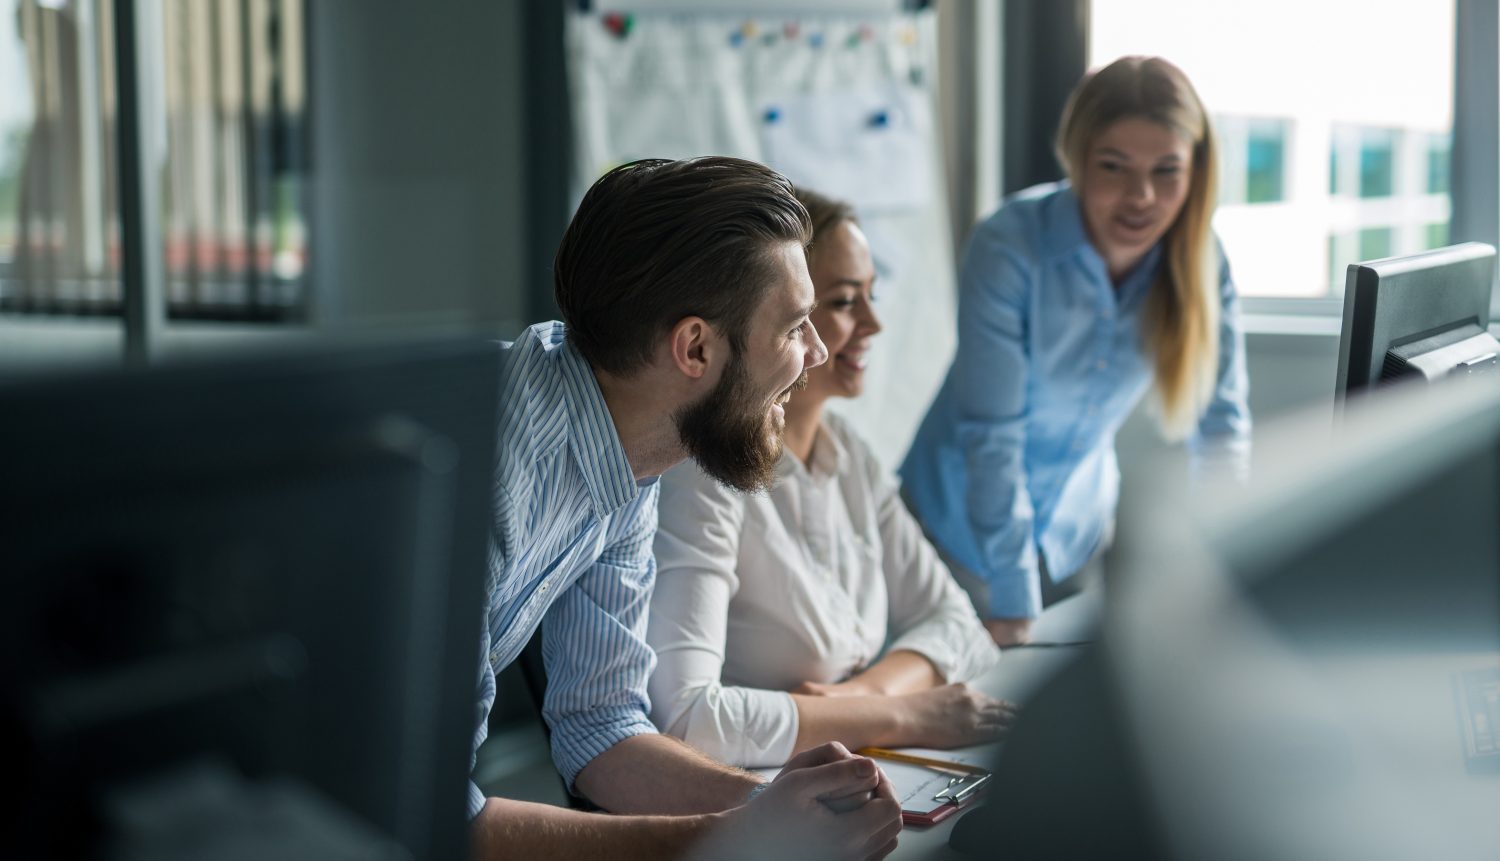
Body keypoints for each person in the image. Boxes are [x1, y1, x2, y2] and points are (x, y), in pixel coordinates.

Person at [469, 157, 903, 860]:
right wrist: (738, 836)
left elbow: (601, 727)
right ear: (695, 346)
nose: (819, 350)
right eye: (795, 326)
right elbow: (440, 817)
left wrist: (773, 806)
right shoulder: (490, 464)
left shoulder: (632, 451)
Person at [647, 189, 1012, 768]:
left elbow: (957, 623)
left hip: (850, 758)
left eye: (871, 295)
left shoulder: (848, 453)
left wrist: (857, 698)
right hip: (751, 791)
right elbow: (689, 723)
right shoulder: (703, 473)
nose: (872, 323)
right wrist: (903, 713)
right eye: (844, 302)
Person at [900, 56, 1251, 647]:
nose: (1141, 197)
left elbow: (1222, 429)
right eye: (1114, 167)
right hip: (954, 535)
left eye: (1167, 171)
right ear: (1077, 159)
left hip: (1076, 533)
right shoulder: (1010, 244)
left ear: (1196, 172)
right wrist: (1013, 601)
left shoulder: (1201, 259)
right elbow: (994, 434)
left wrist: (1233, 572)